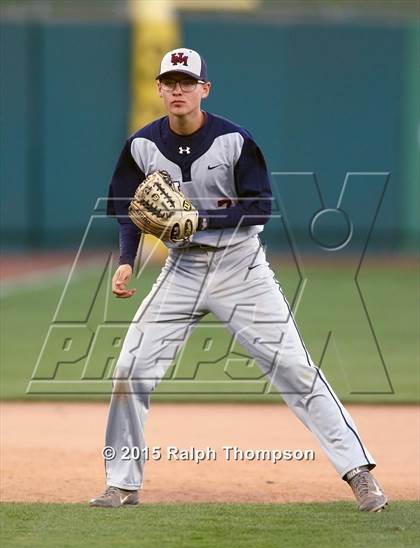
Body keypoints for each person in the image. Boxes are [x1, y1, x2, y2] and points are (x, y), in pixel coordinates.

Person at [90, 48, 387, 511]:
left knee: (294, 367)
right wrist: (127, 259)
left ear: (204, 89)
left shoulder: (234, 140)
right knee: (130, 368)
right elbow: (132, 209)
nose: (177, 90)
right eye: (169, 82)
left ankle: (359, 473)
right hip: (181, 269)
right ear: (159, 89)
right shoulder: (141, 145)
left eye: (187, 82)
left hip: (240, 267)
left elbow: (261, 206)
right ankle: (122, 483)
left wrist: (203, 219)